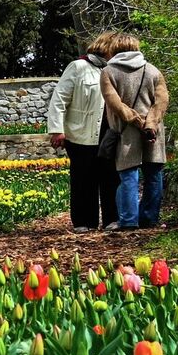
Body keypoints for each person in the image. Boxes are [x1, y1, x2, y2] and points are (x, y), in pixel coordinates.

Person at [99, 33, 170, 230]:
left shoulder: (108, 72)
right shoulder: (153, 70)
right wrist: (149, 124)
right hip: (152, 133)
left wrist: (135, 120)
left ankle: (129, 221)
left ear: (114, 49)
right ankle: (149, 219)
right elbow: (162, 101)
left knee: (128, 176)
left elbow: (115, 104)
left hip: (125, 132)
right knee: (153, 175)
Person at [46, 33, 114, 232]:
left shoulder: (114, 69)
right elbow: (59, 99)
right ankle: (84, 221)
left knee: (110, 177)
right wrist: (57, 130)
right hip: (81, 132)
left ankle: (112, 219)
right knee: (83, 178)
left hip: (108, 132)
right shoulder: (78, 67)